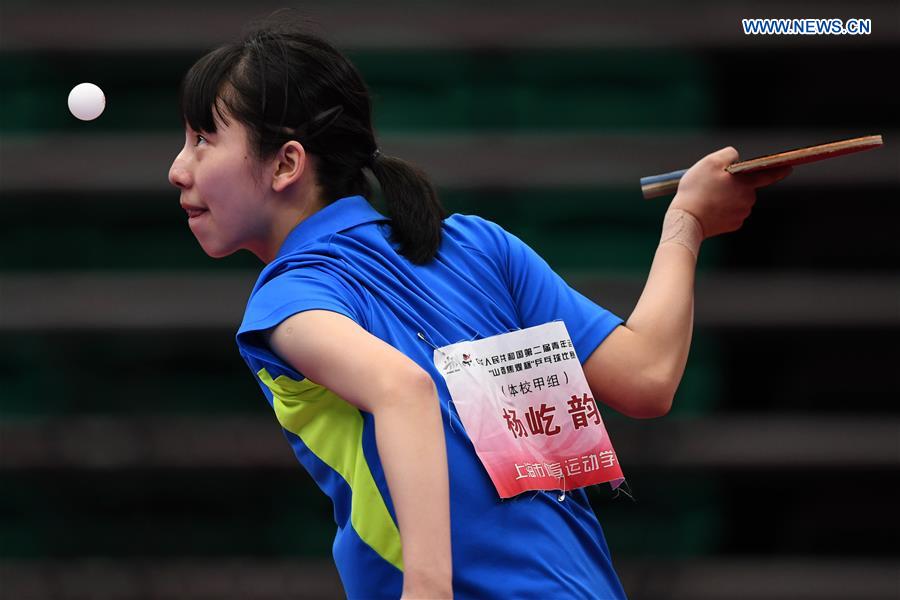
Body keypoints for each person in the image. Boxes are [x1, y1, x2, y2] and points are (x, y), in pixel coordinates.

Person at [167, 12, 793, 600]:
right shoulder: (477, 245)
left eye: (203, 140)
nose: (178, 168)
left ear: (286, 164)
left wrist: (428, 592)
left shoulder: (288, 297)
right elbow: (648, 376)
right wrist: (684, 224)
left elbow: (402, 389)